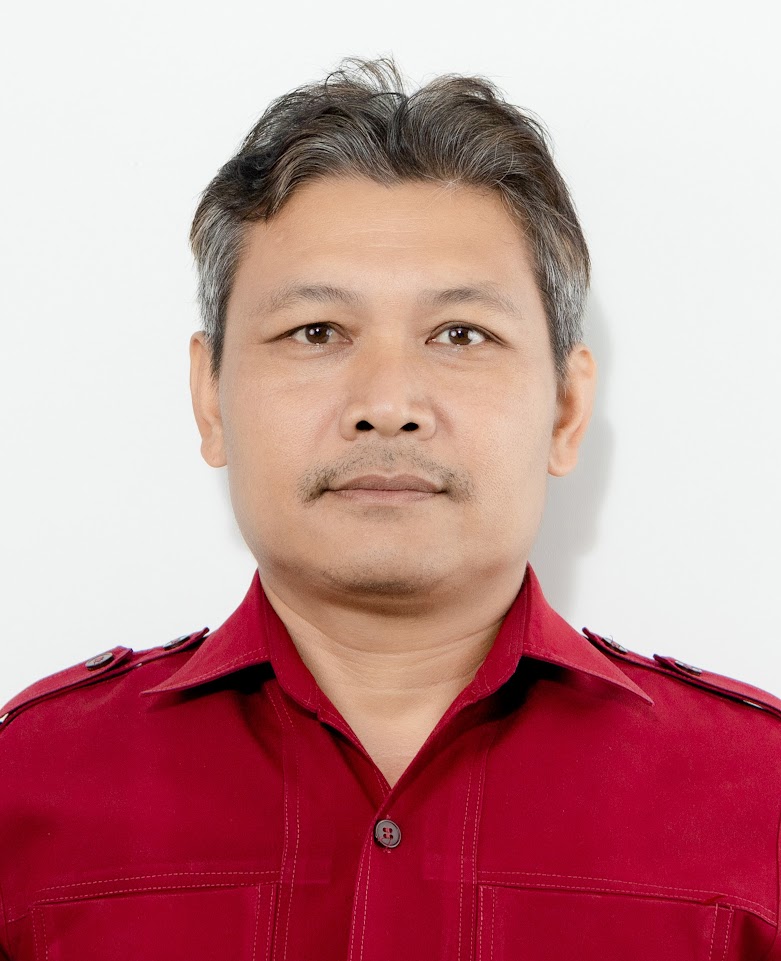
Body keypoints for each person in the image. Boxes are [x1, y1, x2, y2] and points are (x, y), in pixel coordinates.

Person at [1, 56, 779, 961]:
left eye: (460, 334)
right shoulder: (30, 783)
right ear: (210, 398)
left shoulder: (756, 795)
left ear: (566, 409)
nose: (386, 402)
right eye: (315, 331)